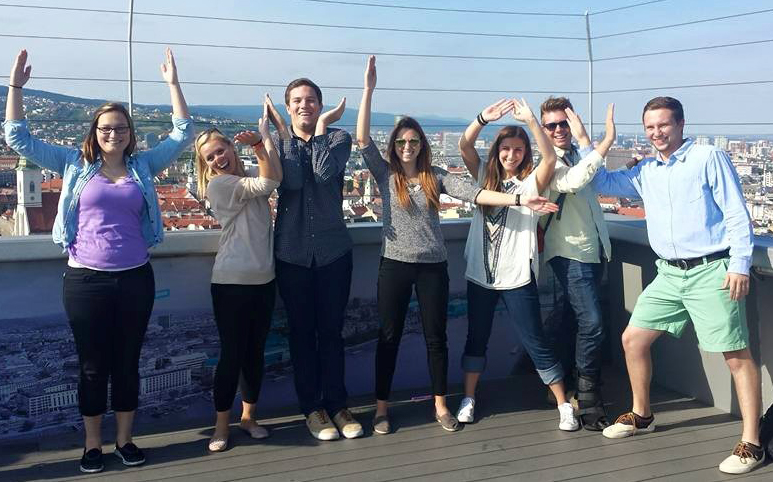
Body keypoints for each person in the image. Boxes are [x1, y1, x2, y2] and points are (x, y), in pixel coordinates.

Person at [3, 48, 193, 473]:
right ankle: (92, 445)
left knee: (127, 364)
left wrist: (172, 84)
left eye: (121, 128)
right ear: (95, 131)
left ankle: (125, 441)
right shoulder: (73, 162)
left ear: (131, 133)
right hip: (85, 279)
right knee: (92, 366)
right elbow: (17, 137)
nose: (114, 134)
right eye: (107, 128)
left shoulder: (143, 165)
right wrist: (15, 87)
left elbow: (183, 132)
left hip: (134, 278)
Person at [356, 56, 558, 434]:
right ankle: (381, 408)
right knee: (388, 338)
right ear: (395, 144)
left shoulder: (436, 176)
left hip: (433, 265)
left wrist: (518, 200)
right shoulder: (386, 175)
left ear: (422, 145)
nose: (407, 146)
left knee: (437, 339)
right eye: (401, 140)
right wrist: (368, 90)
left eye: (414, 140)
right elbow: (363, 140)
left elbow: (477, 194)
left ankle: (440, 406)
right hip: (394, 264)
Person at [592, 96, 763, 474]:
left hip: (710, 271)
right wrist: (601, 140)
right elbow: (601, 180)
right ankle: (642, 414)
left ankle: (752, 442)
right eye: (650, 127)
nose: (657, 133)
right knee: (633, 339)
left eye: (664, 125)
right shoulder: (647, 169)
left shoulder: (707, 157)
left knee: (735, 354)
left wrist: (739, 265)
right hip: (668, 273)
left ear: (681, 124)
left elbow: (737, 212)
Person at [456, 97, 617, 430]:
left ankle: (561, 403)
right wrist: (481, 118)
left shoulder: (534, 181)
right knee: (476, 337)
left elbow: (548, 157)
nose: (511, 155)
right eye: (505, 149)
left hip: (518, 274)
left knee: (536, 340)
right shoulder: (484, 176)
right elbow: (465, 145)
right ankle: (469, 398)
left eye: (518, 149)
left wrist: (532, 121)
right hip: (480, 273)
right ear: (497, 150)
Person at [262, 78, 363, 441]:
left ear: (321, 106)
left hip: (334, 252)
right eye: (297, 101)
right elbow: (289, 181)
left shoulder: (338, 138)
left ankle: (338, 404)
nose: (304, 105)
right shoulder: (277, 141)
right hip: (292, 254)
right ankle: (312, 408)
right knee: (302, 335)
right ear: (287, 107)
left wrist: (319, 132)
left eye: (311, 100)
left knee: (332, 334)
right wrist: (282, 134)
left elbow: (322, 173)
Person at [194, 97, 283, 452]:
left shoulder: (243, 175)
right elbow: (269, 183)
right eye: (211, 157)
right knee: (232, 354)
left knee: (255, 353)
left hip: (264, 279)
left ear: (232, 146)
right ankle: (221, 426)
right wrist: (262, 144)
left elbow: (275, 173)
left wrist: (266, 139)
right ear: (206, 166)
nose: (219, 158)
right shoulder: (220, 185)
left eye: (222, 150)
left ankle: (248, 417)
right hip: (231, 282)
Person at [538, 96, 611, 431]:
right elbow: (574, 180)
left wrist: (585, 143)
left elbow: (600, 178)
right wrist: (603, 141)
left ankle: (566, 389)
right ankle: (587, 396)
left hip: (594, 250)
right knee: (592, 322)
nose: (557, 130)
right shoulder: (544, 160)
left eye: (563, 123)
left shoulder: (581, 153)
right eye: (550, 125)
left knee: (572, 323)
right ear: (542, 128)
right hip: (568, 252)